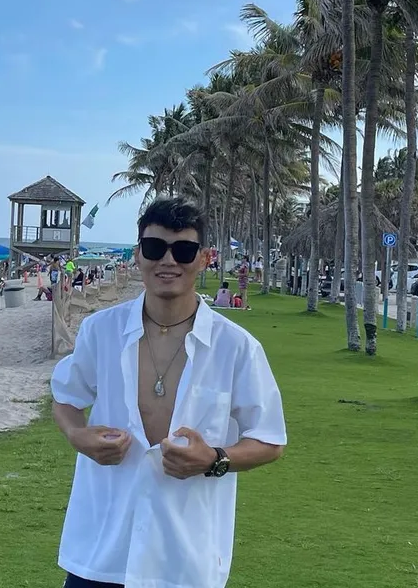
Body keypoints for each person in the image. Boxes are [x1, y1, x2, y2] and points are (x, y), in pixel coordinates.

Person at [51, 196, 286, 588]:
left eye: (184, 250)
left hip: (185, 556)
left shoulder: (235, 347)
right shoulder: (101, 331)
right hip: (101, 549)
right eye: (155, 247)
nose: (168, 260)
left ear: (204, 258)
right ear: (138, 254)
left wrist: (214, 459)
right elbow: (66, 397)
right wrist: (78, 435)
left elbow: (270, 439)